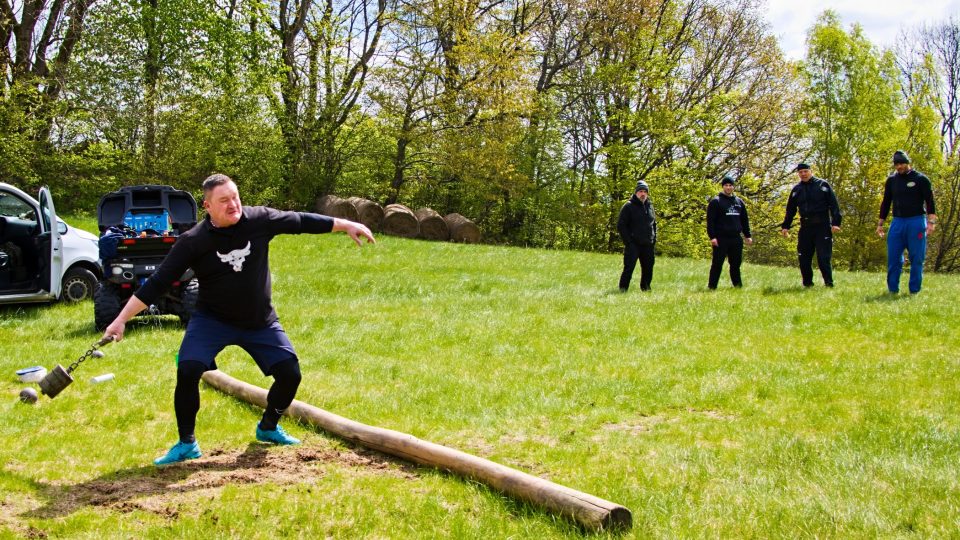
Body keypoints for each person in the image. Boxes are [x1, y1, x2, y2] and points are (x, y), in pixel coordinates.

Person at [102, 173, 375, 466]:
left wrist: (345, 224)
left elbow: (300, 221)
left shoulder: (260, 220)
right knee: (188, 369)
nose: (233, 204)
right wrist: (121, 320)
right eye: (224, 200)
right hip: (212, 320)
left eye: (235, 197)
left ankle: (268, 427)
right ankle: (186, 443)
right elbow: (157, 283)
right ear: (207, 206)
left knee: (290, 374)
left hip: (259, 320)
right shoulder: (193, 241)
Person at [876, 150, 937, 294]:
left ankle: (914, 290)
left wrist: (931, 222)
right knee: (894, 258)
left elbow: (930, 201)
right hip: (897, 222)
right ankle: (892, 290)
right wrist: (880, 224)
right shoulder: (891, 180)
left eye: (901, 164)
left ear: (907, 163)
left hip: (916, 221)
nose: (899, 167)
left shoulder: (921, 179)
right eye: (896, 164)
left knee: (916, 258)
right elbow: (886, 202)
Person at [779, 163, 842, 287]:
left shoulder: (822, 185)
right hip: (806, 227)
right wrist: (785, 226)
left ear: (810, 171)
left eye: (805, 171)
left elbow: (834, 205)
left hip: (822, 226)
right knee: (803, 257)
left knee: (823, 258)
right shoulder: (796, 190)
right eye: (800, 172)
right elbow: (790, 210)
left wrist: (836, 223)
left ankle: (829, 284)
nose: (803, 174)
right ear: (798, 174)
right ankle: (807, 284)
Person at [706, 175, 753, 289]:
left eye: (730, 185)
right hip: (721, 238)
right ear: (723, 187)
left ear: (733, 187)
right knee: (717, 264)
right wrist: (712, 237)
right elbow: (710, 221)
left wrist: (747, 235)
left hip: (736, 238)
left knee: (736, 264)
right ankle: (712, 287)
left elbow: (744, 220)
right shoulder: (716, 202)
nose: (728, 187)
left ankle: (737, 286)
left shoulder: (739, 202)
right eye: (726, 185)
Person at [617, 180, 657, 292]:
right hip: (633, 244)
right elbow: (621, 225)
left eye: (645, 191)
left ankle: (646, 288)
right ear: (636, 193)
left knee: (648, 268)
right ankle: (623, 289)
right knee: (629, 268)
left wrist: (654, 239)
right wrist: (628, 242)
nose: (643, 194)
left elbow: (653, 223)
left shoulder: (650, 206)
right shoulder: (628, 206)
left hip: (648, 244)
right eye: (640, 191)